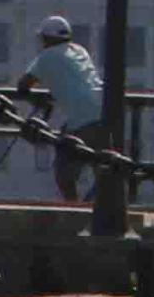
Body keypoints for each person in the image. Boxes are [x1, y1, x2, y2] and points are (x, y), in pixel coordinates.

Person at [21, 14, 107, 204]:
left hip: (82, 119)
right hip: (104, 111)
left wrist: (39, 101)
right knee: (104, 168)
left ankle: (74, 210)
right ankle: (100, 208)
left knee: (64, 172)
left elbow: (23, 85)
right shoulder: (80, 50)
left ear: (47, 38)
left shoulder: (46, 57)